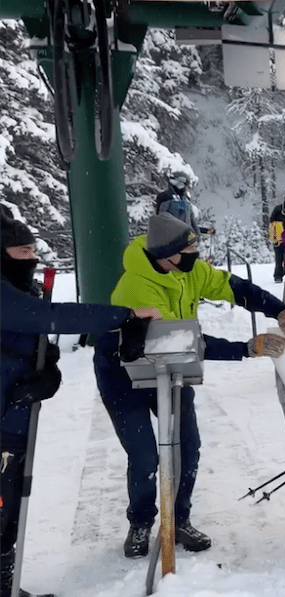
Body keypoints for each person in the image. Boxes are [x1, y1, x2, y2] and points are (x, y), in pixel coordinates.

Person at [93, 213, 285, 559]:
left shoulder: (187, 270)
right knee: (146, 454)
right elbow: (179, 340)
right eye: (188, 248)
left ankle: (179, 519)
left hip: (173, 367)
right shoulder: (136, 288)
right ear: (166, 255)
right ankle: (142, 522)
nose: (195, 253)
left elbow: (234, 287)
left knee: (187, 448)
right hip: (123, 372)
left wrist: (279, 310)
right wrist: (244, 349)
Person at [1, 212, 162, 597]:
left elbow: (39, 345)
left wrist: (48, 376)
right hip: (4, 425)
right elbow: (48, 318)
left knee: (9, 514)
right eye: (22, 250)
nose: (31, 258)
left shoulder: (21, 291)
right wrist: (122, 316)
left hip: (15, 421)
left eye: (33, 250)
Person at [155, 171, 207, 236]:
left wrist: (197, 233)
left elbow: (192, 220)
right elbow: (161, 217)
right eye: (184, 185)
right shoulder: (166, 197)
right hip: (170, 237)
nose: (185, 188)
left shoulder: (185, 200)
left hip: (185, 238)